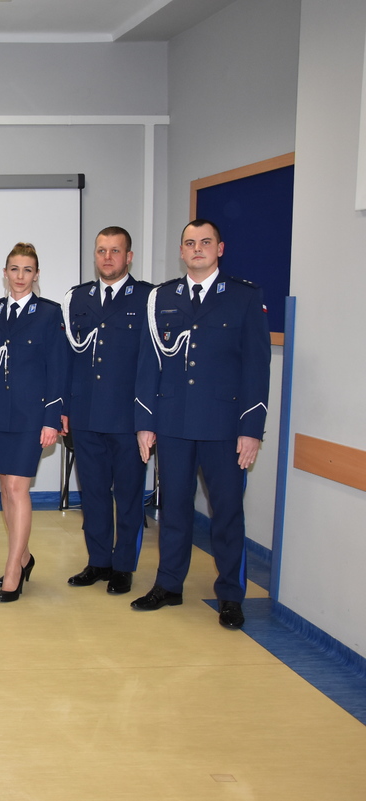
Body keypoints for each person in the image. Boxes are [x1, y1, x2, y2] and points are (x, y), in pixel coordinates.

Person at [132, 219, 270, 629]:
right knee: (173, 509)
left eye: (205, 242)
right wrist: (145, 421)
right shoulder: (162, 298)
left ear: (219, 249)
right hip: (173, 423)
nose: (197, 249)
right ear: (181, 251)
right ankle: (168, 584)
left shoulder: (244, 297)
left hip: (224, 427)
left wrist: (251, 429)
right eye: (190, 243)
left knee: (226, 513)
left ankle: (230, 595)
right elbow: (150, 364)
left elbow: (256, 367)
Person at [61, 227, 152, 595]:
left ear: (129, 257)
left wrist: (148, 418)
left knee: (128, 496)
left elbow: (152, 363)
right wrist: (64, 408)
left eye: (115, 251)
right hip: (85, 415)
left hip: (128, 418)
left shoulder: (147, 298)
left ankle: (123, 566)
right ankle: (98, 561)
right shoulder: (77, 298)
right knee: (94, 494)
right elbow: (68, 358)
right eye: (101, 250)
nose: (108, 257)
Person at [0, 243, 68, 602]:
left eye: (27, 270)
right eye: (14, 269)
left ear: (37, 274)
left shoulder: (49, 313)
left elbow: (57, 369)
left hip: (32, 415)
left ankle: (13, 569)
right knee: (5, 489)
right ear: (5, 272)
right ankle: (25, 556)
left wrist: (51, 419)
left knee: (17, 489)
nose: (20, 276)